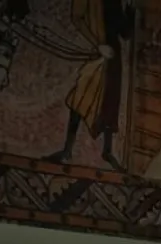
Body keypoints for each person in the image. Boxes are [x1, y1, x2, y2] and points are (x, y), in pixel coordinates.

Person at [48, 0, 134, 170]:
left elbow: (125, 33)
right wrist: (98, 45)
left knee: (111, 101)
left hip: (114, 55)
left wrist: (131, 11)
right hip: (97, 51)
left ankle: (107, 151)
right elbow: (77, 18)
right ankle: (67, 150)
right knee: (80, 96)